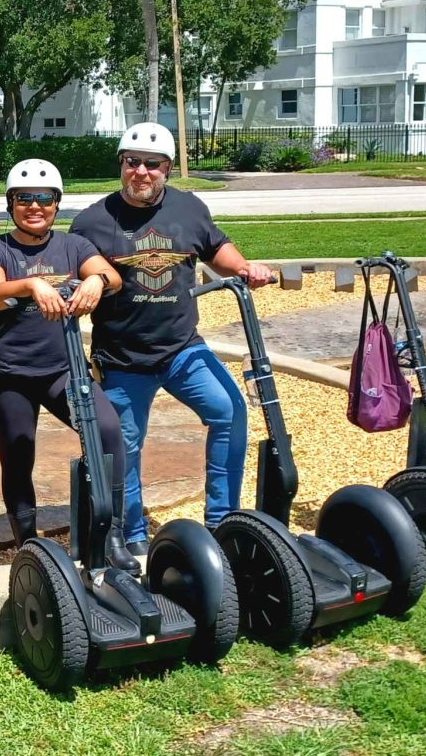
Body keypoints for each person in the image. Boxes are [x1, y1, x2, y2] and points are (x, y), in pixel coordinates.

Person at [70, 122, 274, 556]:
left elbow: (217, 248)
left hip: (183, 348)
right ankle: (132, 533)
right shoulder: (91, 221)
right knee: (124, 445)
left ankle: (221, 521)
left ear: (167, 168)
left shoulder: (189, 208)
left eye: (152, 164)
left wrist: (244, 269)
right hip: (123, 357)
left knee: (230, 411)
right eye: (132, 162)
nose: (141, 172)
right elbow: (74, 273)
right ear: (121, 164)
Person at [0, 159, 137, 573]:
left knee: (107, 432)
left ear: (56, 204)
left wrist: (97, 280)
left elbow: (110, 276)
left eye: (44, 198)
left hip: (64, 370)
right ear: (10, 204)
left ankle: (111, 532)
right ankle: (27, 542)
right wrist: (31, 284)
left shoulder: (73, 246)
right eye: (24, 198)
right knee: (18, 452)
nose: (34, 206)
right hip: (8, 373)